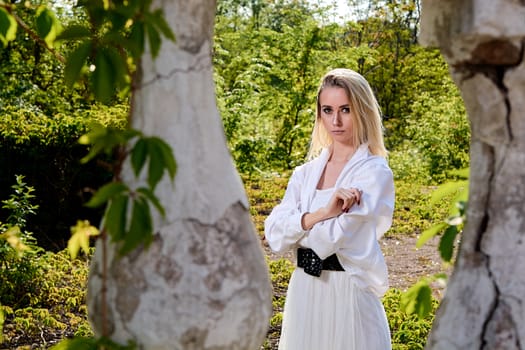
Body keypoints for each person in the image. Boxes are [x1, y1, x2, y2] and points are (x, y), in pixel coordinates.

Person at [264, 68, 394, 350]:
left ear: (362, 111)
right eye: (327, 109)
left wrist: (299, 227)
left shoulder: (374, 173)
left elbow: (332, 238)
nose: (335, 120)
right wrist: (324, 213)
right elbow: (274, 234)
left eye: (345, 109)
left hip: (349, 294)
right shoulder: (304, 173)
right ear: (319, 114)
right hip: (304, 294)